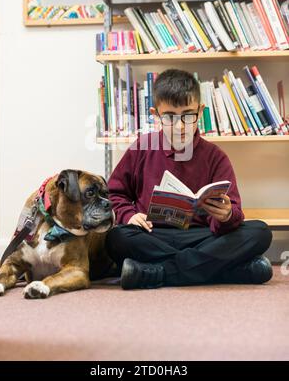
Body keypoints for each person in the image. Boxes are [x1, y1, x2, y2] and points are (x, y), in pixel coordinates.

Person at [106, 69, 273, 290]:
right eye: (169, 117)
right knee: (117, 238)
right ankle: (225, 270)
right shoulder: (142, 147)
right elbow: (113, 193)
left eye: (188, 115)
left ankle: (158, 272)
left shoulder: (215, 156)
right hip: (152, 235)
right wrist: (129, 215)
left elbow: (233, 212)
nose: (179, 126)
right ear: (156, 115)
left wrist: (226, 216)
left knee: (259, 232)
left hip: (200, 236)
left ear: (200, 111)